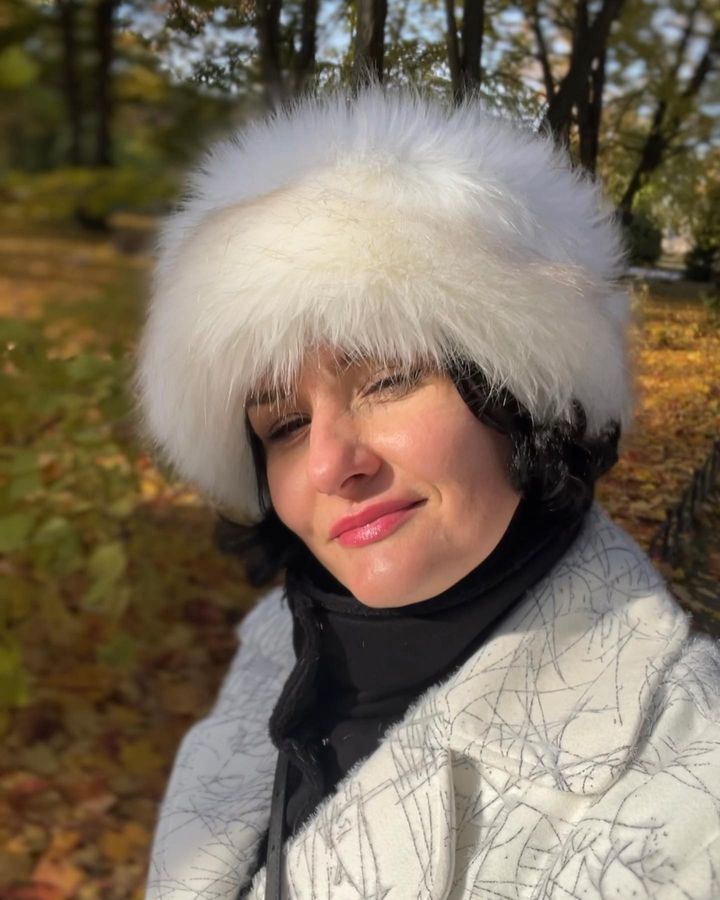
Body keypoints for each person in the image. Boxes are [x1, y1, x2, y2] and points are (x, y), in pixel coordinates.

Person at [135, 89, 720, 900]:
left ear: (521, 391)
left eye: (388, 380)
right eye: (286, 425)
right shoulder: (282, 644)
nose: (330, 465)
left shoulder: (690, 781)